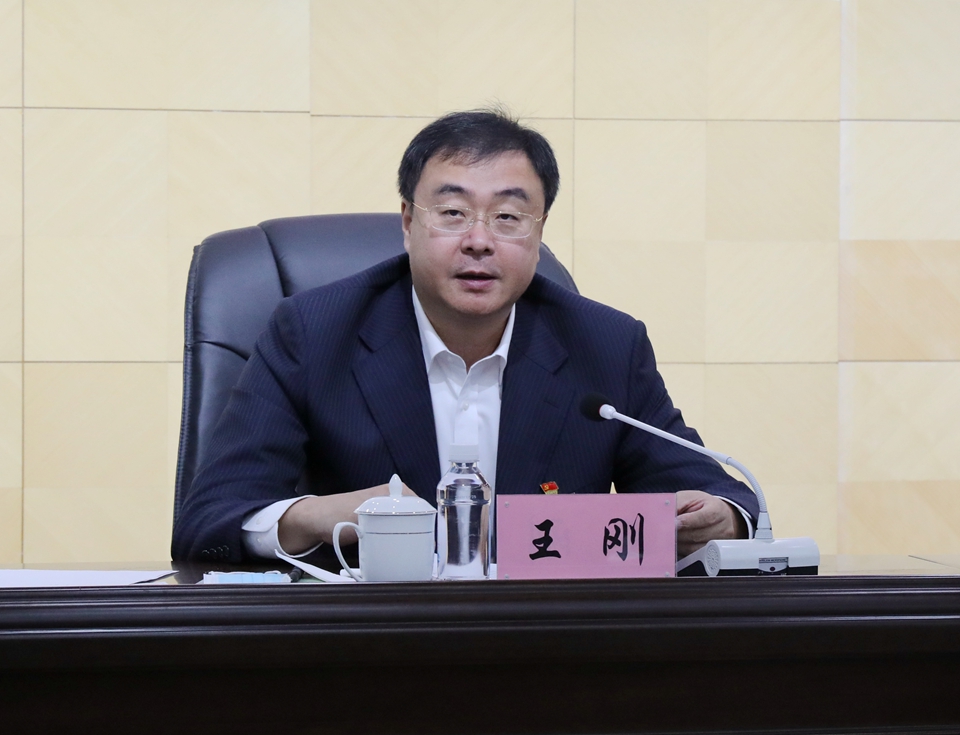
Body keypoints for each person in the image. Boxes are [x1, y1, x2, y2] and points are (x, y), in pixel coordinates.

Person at [171, 109, 757, 564]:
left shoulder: (605, 344)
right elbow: (208, 521)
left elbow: (716, 496)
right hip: (367, 645)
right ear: (408, 222)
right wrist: (315, 516)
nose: (479, 240)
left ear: (538, 233)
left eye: (507, 217)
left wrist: (724, 519)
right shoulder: (314, 333)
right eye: (452, 213)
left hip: (549, 645)